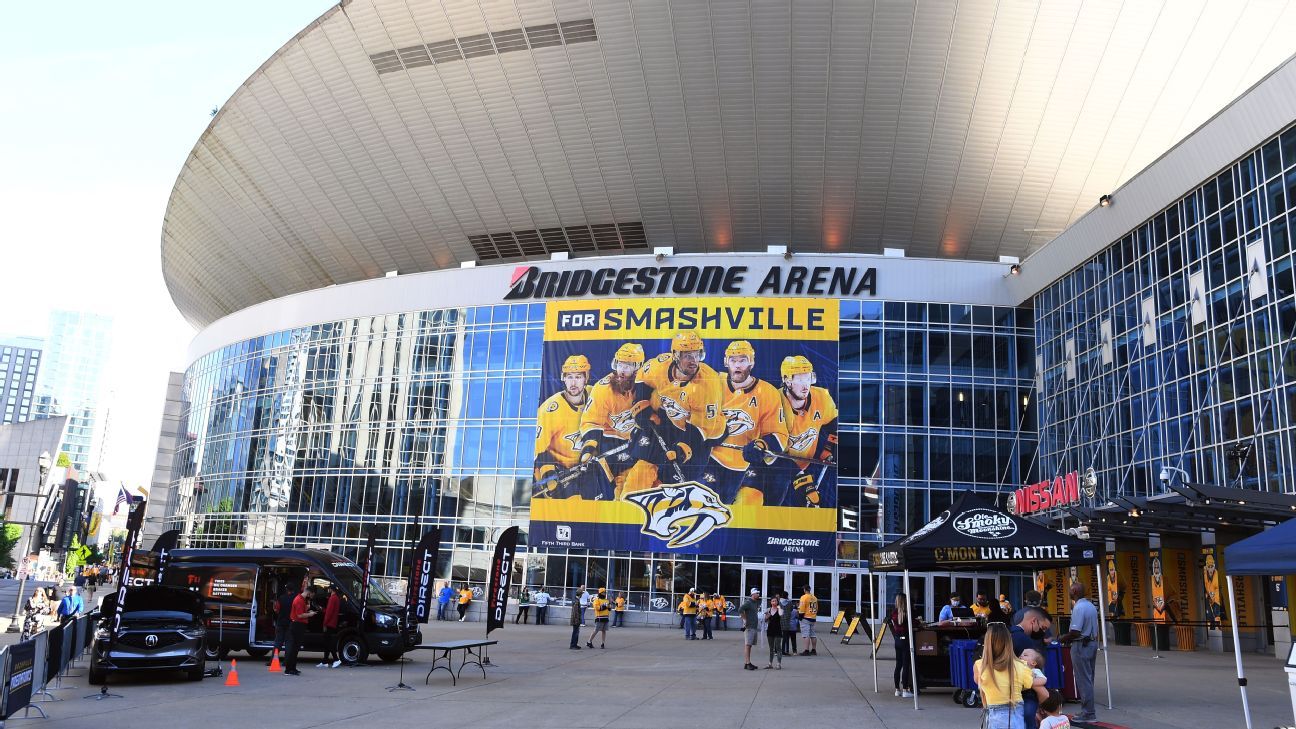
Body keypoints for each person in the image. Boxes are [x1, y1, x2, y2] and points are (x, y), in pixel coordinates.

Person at [701, 340, 790, 505]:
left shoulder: (767, 392)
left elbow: (780, 434)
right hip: (709, 459)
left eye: (742, 360)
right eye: (733, 360)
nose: (737, 365)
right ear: (726, 362)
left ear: (752, 362)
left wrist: (763, 445)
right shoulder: (712, 382)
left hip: (745, 463)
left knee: (748, 504)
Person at [777, 355, 838, 507]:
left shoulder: (822, 397)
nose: (805, 385)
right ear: (787, 380)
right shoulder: (774, 400)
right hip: (775, 467)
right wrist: (800, 478)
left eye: (808, 378)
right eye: (799, 379)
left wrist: (829, 448)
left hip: (806, 465)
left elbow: (834, 424)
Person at [533, 355, 595, 499]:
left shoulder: (595, 395)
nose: (573, 382)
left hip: (587, 468)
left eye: (578, 377)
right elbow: (537, 453)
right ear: (564, 378)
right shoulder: (549, 410)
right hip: (560, 473)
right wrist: (548, 475)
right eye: (569, 377)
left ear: (586, 378)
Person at [974, 622, 1035, 729]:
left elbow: (978, 682)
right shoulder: (1022, 666)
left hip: (993, 715)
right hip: (1015, 713)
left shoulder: (980, 666)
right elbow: (1028, 684)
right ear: (1009, 642)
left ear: (987, 643)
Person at [1059, 582, 1099, 724]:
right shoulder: (1090, 605)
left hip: (1082, 644)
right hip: (1091, 643)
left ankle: (1088, 713)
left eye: (1070, 590)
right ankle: (1088, 710)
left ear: (1075, 591)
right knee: (1088, 678)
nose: (1069, 592)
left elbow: (1075, 632)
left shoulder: (1079, 607)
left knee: (1083, 680)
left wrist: (1062, 638)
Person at [886, 593, 916, 697]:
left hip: (897, 640)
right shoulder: (907, 613)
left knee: (898, 665)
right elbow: (915, 624)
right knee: (906, 665)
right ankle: (905, 690)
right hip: (905, 640)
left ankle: (897, 689)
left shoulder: (894, 612)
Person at [284, 585, 318, 676]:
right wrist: (310, 614)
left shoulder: (301, 599)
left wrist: (308, 610)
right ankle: (289, 669)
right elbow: (299, 615)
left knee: (296, 648)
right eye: (312, 595)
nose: (311, 597)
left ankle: (292, 668)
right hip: (297, 625)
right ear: (309, 592)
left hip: (298, 625)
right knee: (294, 648)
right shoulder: (299, 600)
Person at [269, 582, 295, 665]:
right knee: (289, 643)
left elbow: (276, 610)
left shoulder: (281, 598)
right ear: (293, 590)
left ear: (286, 589)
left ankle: (272, 661)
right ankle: (286, 662)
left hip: (281, 622)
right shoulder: (296, 599)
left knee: (278, 643)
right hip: (291, 623)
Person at [318, 583, 342, 668]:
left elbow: (329, 612)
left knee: (328, 643)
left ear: (331, 589)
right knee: (327, 642)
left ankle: (336, 659)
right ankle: (325, 661)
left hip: (329, 623)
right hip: (332, 622)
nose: (328, 590)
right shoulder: (336, 598)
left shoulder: (332, 598)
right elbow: (330, 611)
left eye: (329, 589)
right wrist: (323, 609)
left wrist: (324, 623)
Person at [738, 588, 761, 670]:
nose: (758, 594)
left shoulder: (755, 603)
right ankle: (747, 663)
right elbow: (740, 609)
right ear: (753, 594)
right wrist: (745, 619)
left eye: (758, 593)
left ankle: (747, 663)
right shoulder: (748, 602)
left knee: (750, 645)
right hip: (749, 627)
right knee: (747, 645)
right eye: (757, 593)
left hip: (754, 626)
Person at [798, 585, 819, 655]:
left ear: (804, 590)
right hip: (813, 617)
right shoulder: (814, 598)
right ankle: (814, 649)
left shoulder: (804, 597)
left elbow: (802, 608)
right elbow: (817, 608)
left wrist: (800, 617)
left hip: (806, 617)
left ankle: (806, 650)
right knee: (813, 634)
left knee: (806, 635)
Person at [764, 596, 784, 669]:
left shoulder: (780, 609)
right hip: (770, 630)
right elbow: (765, 620)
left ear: (777, 602)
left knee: (778, 647)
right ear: (770, 602)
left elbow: (781, 614)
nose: (774, 602)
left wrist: (779, 608)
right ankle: (770, 663)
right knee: (771, 648)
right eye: (772, 601)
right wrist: (767, 616)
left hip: (778, 630)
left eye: (775, 601)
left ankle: (779, 664)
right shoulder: (768, 610)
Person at [780, 590, 798, 656]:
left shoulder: (779, 602)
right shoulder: (790, 603)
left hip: (781, 621)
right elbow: (791, 610)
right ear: (787, 596)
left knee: (782, 637)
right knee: (788, 638)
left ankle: (782, 650)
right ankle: (788, 651)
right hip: (788, 622)